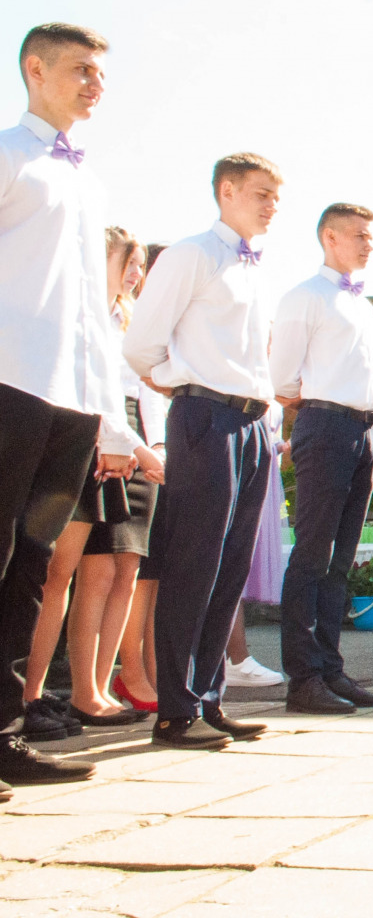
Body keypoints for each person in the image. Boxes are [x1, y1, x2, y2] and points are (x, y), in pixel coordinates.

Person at [0, 24, 137, 790]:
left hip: (68, 405)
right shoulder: (10, 155)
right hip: (8, 384)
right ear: (35, 69)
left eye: (100, 74)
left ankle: (5, 730)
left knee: (28, 566)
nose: (95, 84)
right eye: (82, 70)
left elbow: (94, 308)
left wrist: (108, 418)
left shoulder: (87, 181)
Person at [124, 152, 284, 749]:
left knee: (231, 567)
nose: (273, 206)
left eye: (277, 196)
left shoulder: (254, 267)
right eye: (262, 194)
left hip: (251, 425)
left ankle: (208, 697)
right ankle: (174, 711)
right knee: (196, 563)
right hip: (205, 418)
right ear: (227, 191)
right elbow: (141, 344)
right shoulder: (193, 254)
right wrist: (185, 385)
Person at [270, 204, 373, 712]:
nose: (369, 244)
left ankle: (330, 668)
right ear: (330, 237)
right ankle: (303, 679)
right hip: (324, 427)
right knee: (312, 554)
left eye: (372, 236)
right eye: (361, 235)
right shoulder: (305, 297)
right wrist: (319, 405)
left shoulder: (362, 305)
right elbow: (281, 376)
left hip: (364, 431)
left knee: (342, 558)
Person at [61, 230, 170, 727]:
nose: (135, 272)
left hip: (137, 443)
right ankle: (81, 688)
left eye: (140, 264)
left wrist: (154, 446)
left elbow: (147, 389)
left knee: (126, 570)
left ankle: (105, 687)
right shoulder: (81, 312)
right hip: (106, 442)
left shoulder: (129, 317)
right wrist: (131, 446)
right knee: (91, 572)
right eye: (128, 260)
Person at [113, 243, 171, 716]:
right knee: (135, 573)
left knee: (153, 574)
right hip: (137, 449)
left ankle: (153, 672)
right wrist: (147, 448)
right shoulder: (134, 321)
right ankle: (129, 670)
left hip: (169, 452)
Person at [225, 402, 287, 689]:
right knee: (228, 558)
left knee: (240, 561)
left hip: (262, 464)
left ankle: (232, 657)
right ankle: (232, 657)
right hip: (232, 455)